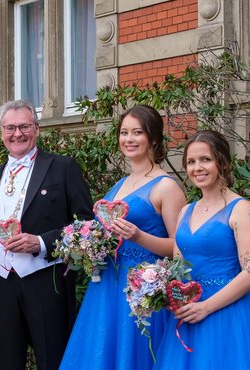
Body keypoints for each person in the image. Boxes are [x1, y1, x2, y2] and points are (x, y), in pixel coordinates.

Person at [154, 130, 250, 369]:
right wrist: (168, 295)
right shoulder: (185, 211)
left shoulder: (241, 209)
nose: (197, 167)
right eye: (191, 162)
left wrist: (206, 307)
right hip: (189, 313)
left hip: (228, 313)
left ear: (222, 162)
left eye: (205, 160)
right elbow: (178, 267)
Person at [60, 105, 187, 369]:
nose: (128, 139)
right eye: (124, 132)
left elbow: (179, 248)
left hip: (141, 291)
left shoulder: (166, 186)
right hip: (107, 285)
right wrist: (87, 244)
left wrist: (139, 237)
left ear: (152, 138)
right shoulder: (119, 184)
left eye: (137, 132)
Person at [0, 100, 94, 370]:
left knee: (52, 359)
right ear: (1, 132)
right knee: (10, 362)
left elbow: (87, 223)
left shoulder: (62, 167)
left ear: (36, 128)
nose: (17, 134)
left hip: (46, 280)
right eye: (10, 128)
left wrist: (42, 242)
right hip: (3, 284)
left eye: (24, 126)